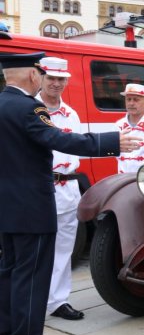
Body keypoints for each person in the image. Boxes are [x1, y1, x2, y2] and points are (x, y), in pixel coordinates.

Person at [0, 52, 142, 335]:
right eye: (40, 73)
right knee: (32, 276)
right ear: (31, 76)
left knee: (9, 273)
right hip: (31, 207)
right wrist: (111, 143)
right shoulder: (28, 108)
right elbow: (60, 140)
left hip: (7, 207)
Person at [35, 57, 84, 321]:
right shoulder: (30, 109)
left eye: (60, 79)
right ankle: (33, 301)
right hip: (39, 188)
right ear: (40, 77)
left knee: (64, 249)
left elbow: (79, 148)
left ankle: (57, 301)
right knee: (35, 250)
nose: (55, 83)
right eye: (51, 78)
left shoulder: (72, 114)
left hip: (67, 188)